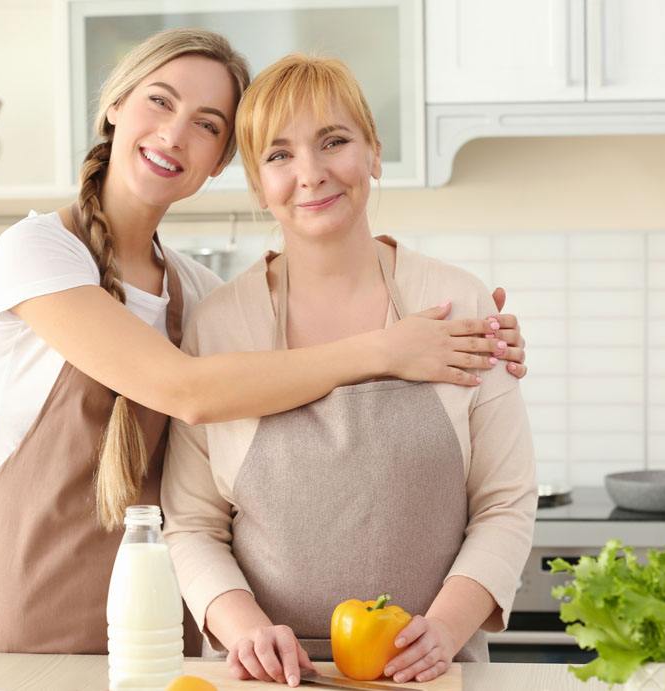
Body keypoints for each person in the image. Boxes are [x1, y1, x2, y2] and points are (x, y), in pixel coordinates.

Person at [0, 30, 528, 654]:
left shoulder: (198, 293)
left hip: (165, 623)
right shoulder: (39, 251)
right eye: (159, 100)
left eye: (206, 124)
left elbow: (504, 496)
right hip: (38, 607)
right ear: (115, 106)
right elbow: (188, 394)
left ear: (219, 163)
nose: (175, 134)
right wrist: (387, 352)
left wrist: (488, 338)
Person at [161, 53, 537, 687]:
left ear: (373, 153)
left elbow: (505, 500)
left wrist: (443, 629)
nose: (310, 174)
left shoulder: (457, 302)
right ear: (257, 183)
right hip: (267, 677)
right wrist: (245, 630)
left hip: (427, 671)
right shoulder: (220, 325)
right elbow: (193, 521)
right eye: (279, 156)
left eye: (333, 141)